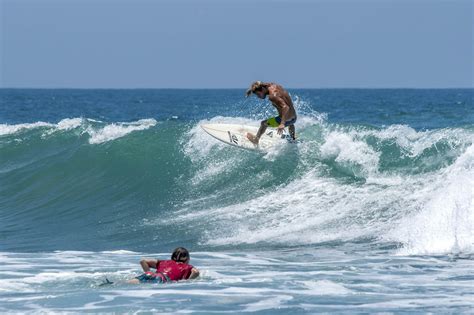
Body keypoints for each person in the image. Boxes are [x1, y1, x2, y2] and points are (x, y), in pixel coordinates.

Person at [128, 247, 200, 284]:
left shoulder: (164, 262)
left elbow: (143, 261)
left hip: (151, 274)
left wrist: (148, 273)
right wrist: (188, 281)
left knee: (127, 284)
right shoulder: (187, 267)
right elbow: (196, 272)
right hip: (161, 279)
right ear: (187, 259)